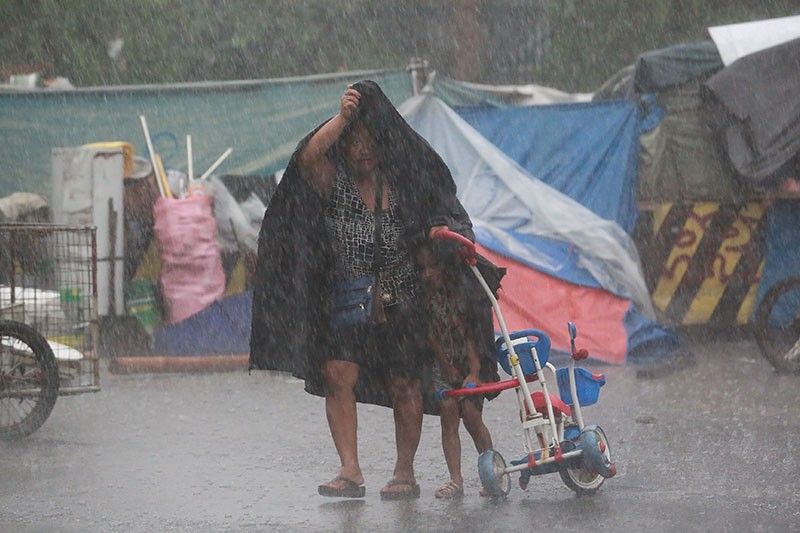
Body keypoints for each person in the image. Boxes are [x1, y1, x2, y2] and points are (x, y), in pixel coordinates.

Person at [249, 80, 481, 500]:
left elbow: (438, 206)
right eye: (354, 141)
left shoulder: (403, 183)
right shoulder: (332, 182)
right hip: (347, 295)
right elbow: (307, 157)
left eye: (370, 139)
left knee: (405, 382)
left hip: (402, 296)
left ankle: (404, 473)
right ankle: (350, 469)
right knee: (338, 375)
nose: (362, 149)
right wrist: (342, 118)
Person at [416, 238, 500, 499]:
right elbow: (430, 336)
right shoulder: (426, 298)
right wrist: (445, 366)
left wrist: (472, 373)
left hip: (469, 362)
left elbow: (473, 338)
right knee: (448, 415)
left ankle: (492, 472)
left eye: (431, 268)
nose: (426, 274)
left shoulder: (462, 296)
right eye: (422, 269)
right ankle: (456, 479)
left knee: (473, 417)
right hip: (445, 364)